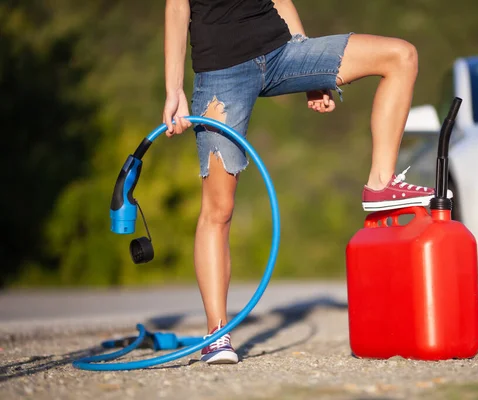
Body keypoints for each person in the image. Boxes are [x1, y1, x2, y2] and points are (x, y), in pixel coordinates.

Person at [163, 0, 443, 364]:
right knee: (219, 208)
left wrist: (310, 73)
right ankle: (217, 334)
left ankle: (380, 182)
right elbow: (176, 8)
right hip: (221, 72)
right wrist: (174, 89)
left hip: (283, 52)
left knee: (401, 56)